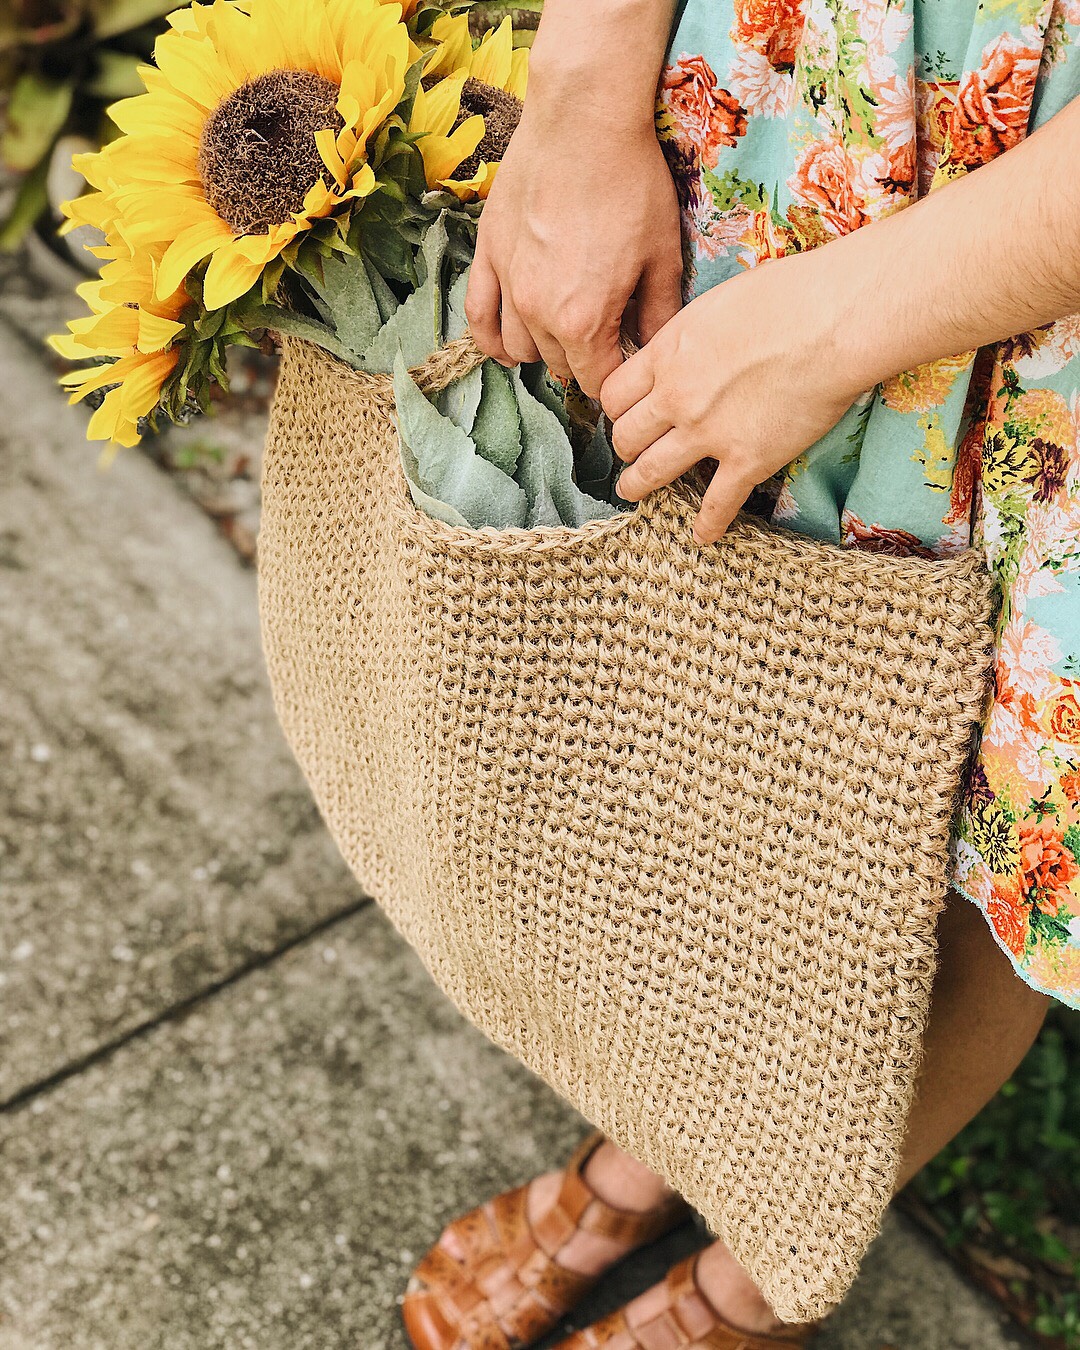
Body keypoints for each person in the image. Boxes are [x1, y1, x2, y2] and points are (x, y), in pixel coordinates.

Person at [402, 0, 1080, 1344]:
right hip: (815, 91)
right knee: (734, 679)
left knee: (1011, 832)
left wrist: (831, 330)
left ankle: (767, 1263)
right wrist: (589, 87)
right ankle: (667, 1137)